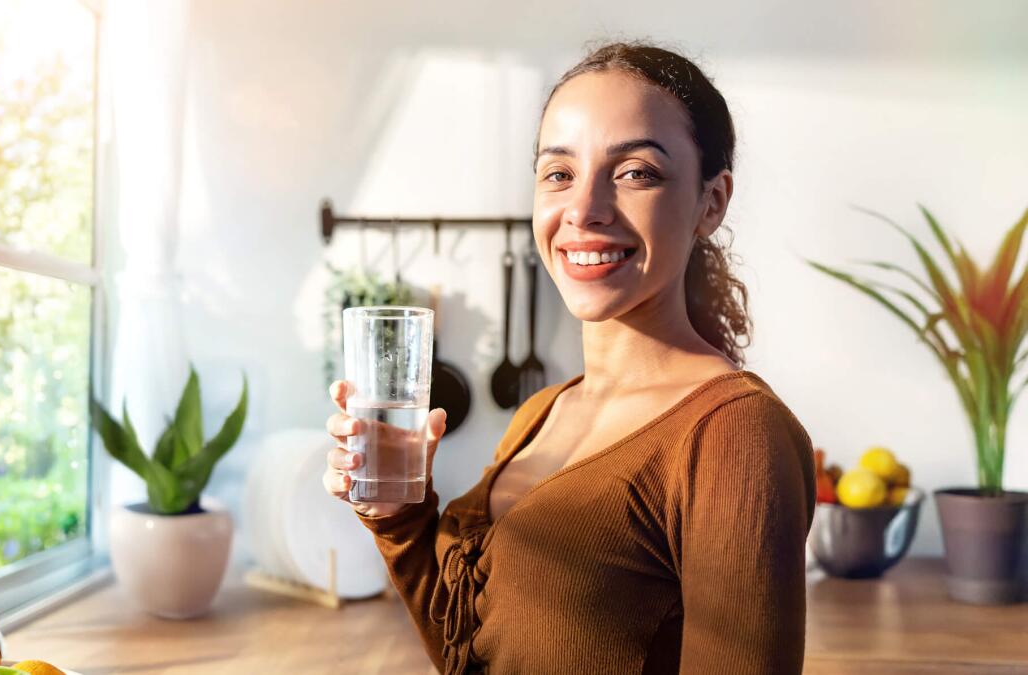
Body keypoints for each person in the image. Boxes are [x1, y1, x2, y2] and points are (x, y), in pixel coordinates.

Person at [323, 40, 815, 675]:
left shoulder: (733, 434)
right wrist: (397, 515)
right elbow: (471, 647)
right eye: (559, 174)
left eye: (636, 171)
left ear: (710, 202)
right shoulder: (542, 411)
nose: (583, 210)